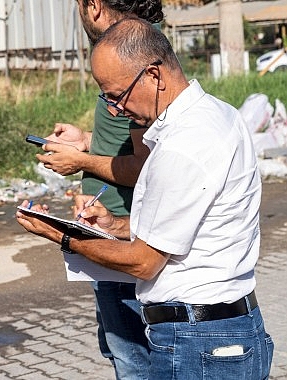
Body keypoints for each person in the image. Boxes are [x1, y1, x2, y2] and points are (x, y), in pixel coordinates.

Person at [17, 18, 274, 378]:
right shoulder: (218, 115)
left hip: (198, 342)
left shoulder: (183, 146)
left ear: (154, 75)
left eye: (117, 95)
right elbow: (180, 228)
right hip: (221, 331)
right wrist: (113, 226)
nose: (114, 110)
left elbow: (143, 263)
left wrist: (63, 236)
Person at [36, 1, 162, 378]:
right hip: (112, 227)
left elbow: (146, 165)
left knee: (134, 358)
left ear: (92, 6)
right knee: (122, 349)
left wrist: (81, 163)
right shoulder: (131, 53)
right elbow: (134, 142)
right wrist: (88, 141)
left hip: (124, 233)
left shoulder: (128, 61)